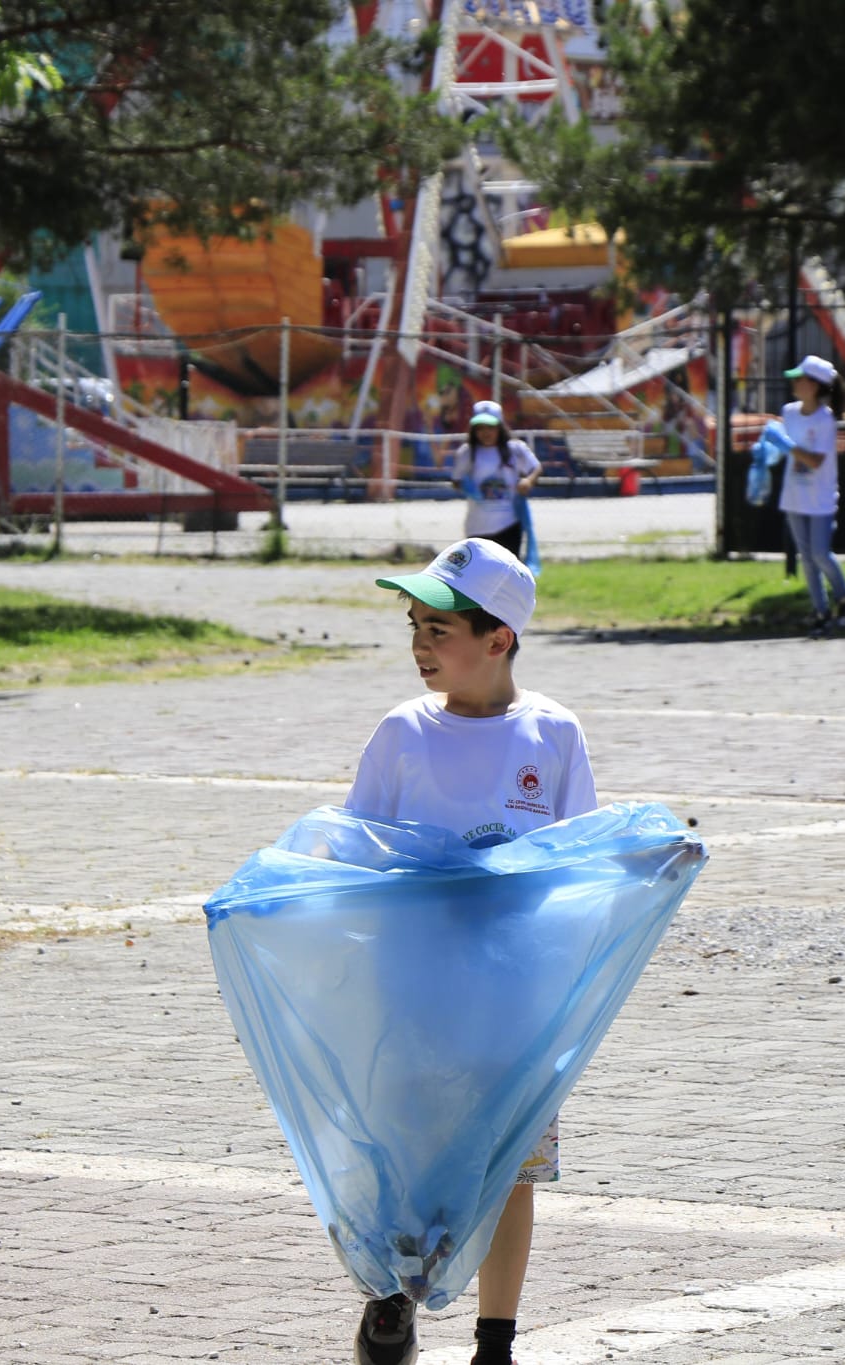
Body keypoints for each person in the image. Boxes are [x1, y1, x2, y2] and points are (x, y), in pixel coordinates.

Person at [343, 538, 599, 1365]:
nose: (421, 645)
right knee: (404, 1155)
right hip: (414, 996)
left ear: (500, 639)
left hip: (515, 1007)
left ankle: (497, 1339)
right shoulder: (400, 732)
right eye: (414, 625)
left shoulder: (552, 734)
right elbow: (355, 850)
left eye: (440, 628)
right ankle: (392, 1289)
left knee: (511, 1168)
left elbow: (582, 859)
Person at [777, 354, 845, 636]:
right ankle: (820, 612)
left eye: (799, 378)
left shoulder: (825, 420)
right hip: (794, 496)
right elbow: (778, 449)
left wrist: (785, 444)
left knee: (821, 553)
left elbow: (816, 461)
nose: (794, 383)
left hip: (820, 497)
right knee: (806, 558)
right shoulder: (788, 412)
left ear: (813, 385)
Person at [449, 400, 541, 559]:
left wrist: (528, 481)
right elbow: (456, 480)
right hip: (477, 526)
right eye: (480, 428)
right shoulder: (467, 453)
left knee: (506, 575)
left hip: (508, 524)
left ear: (500, 426)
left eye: (490, 427)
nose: (486, 432)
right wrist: (466, 486)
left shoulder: (514, 449)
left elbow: (535, 468)